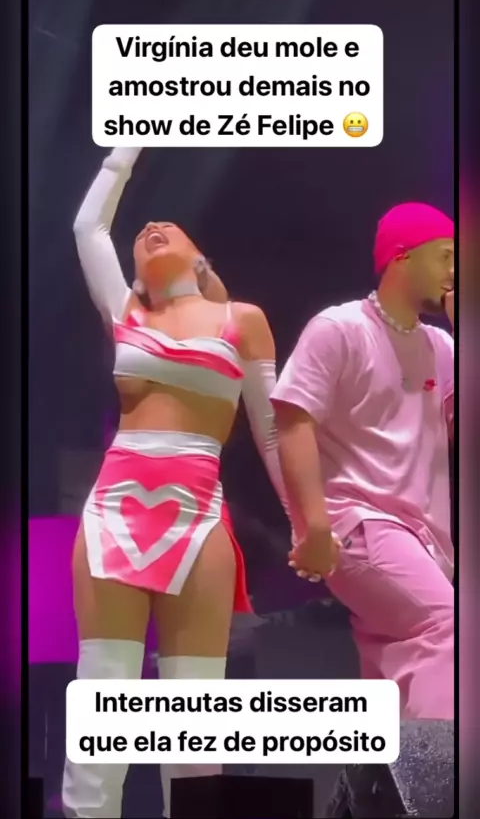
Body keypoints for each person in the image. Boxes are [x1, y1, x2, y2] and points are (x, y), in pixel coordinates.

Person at [62, 147, 288, 818]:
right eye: (142, 234)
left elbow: (273, 431)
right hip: (113, 513)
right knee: (103, 708)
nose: (151, 228)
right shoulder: (126, 313)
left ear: (201, 261)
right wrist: (125, 149)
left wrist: (310, 520)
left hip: (198, 515)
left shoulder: (240, 321)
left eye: (169, 227)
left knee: (195, 723)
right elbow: (88, 227)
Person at [271, 202, 455, 719]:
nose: (455, 271)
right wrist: (312, 526)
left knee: (394, 664)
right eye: (445, 256)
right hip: (358, 523)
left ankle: (394, 769)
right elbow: (293, 420)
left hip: (422, 535)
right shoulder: (340, 327)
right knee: (448, 627)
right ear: (402, 257)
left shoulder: (442, 345)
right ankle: (444, 769)